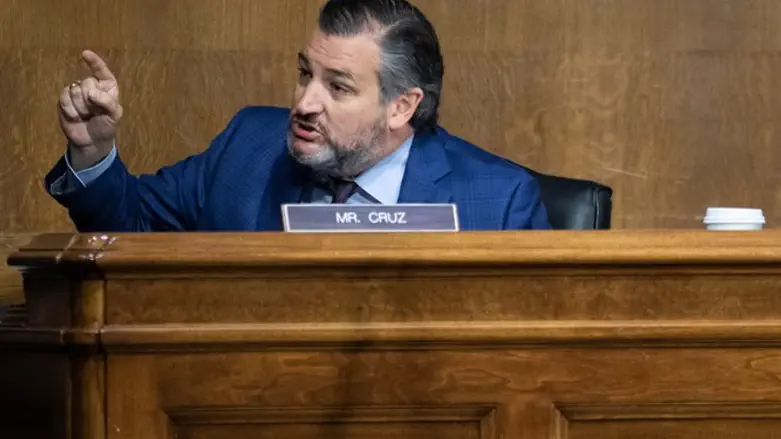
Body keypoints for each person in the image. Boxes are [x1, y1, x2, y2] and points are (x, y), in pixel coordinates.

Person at [47, 0, 551, 232]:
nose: (306, 103)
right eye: (305, 73)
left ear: (402, 106)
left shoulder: (499, 204)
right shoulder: (248, 147)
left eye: (338, 87)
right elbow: (127, 225)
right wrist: (93, 151)